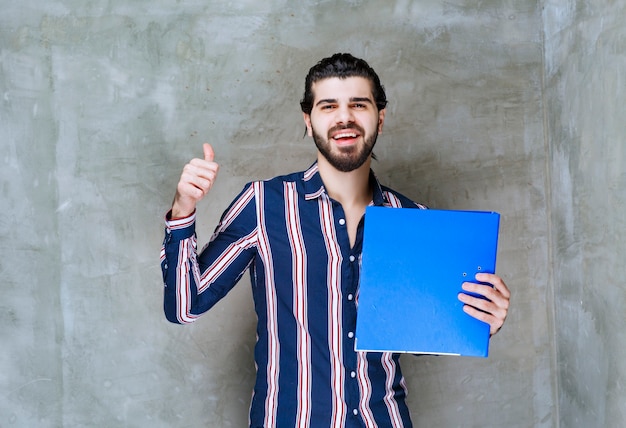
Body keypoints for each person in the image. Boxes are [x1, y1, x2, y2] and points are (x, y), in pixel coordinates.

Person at [160, 53, 510, 428]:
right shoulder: (264, 204)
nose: (345, 117)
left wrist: (480, 319)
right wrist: (184, 208)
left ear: (381, 117)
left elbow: (421, 336)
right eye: (329, 106)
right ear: (308, 122)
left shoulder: (414, 220)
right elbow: (184, 306)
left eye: (358, 104)